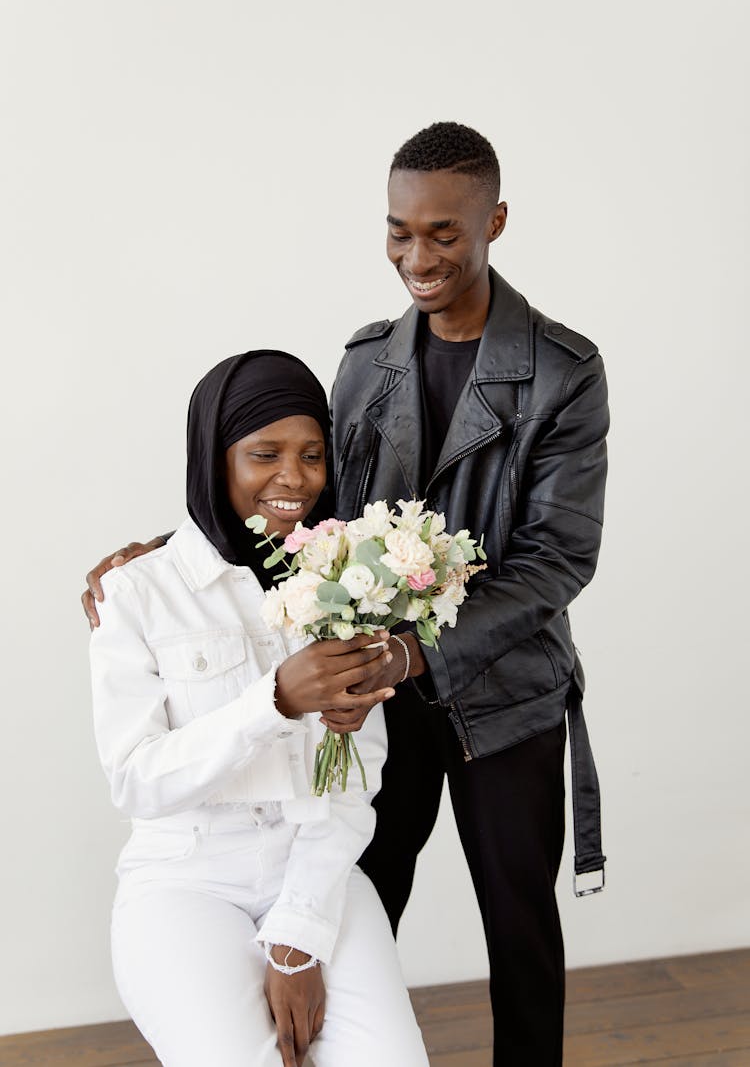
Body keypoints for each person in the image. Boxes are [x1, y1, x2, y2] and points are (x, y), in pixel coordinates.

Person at [83, 123, 608, 1066]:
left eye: (444, 233)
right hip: (371, 691)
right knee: (355, 892)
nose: (418, 256)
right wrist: (166, 547)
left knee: (519, 930)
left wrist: (420, 649)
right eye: (399, 231)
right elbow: (303, 497)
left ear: (495, 220)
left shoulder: (565, 373)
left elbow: (556, 559)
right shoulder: (369, 360)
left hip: (505, 698)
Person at [89, 349, 429, 1067]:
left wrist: (298, 937)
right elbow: (136, 779)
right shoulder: (137, 593)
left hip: (317, 869)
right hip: (183, 882)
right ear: (215, 459)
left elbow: (357, 774)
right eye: (264, 453)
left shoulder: (347, 581)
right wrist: (273, 701)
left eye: (311, 454)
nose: (294, 477)